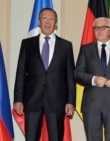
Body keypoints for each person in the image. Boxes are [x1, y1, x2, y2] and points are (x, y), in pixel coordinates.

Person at [13, 8, 76, 141]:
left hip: (57, 101)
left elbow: (70, 76)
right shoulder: (27, 44)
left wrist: (71, 101)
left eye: (51, 19)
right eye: (44, 19)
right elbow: (20, 73)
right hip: (32, 100)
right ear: (39, 22)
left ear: (56, 23)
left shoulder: (66, 46)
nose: (48, 22)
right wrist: (18, 99)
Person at [74, 17, 110, 141]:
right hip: (91, 105)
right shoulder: (86, 49)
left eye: (103, 27)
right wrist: (93, 79)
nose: (99, 30)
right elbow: (77, 73)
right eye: (96, 28)